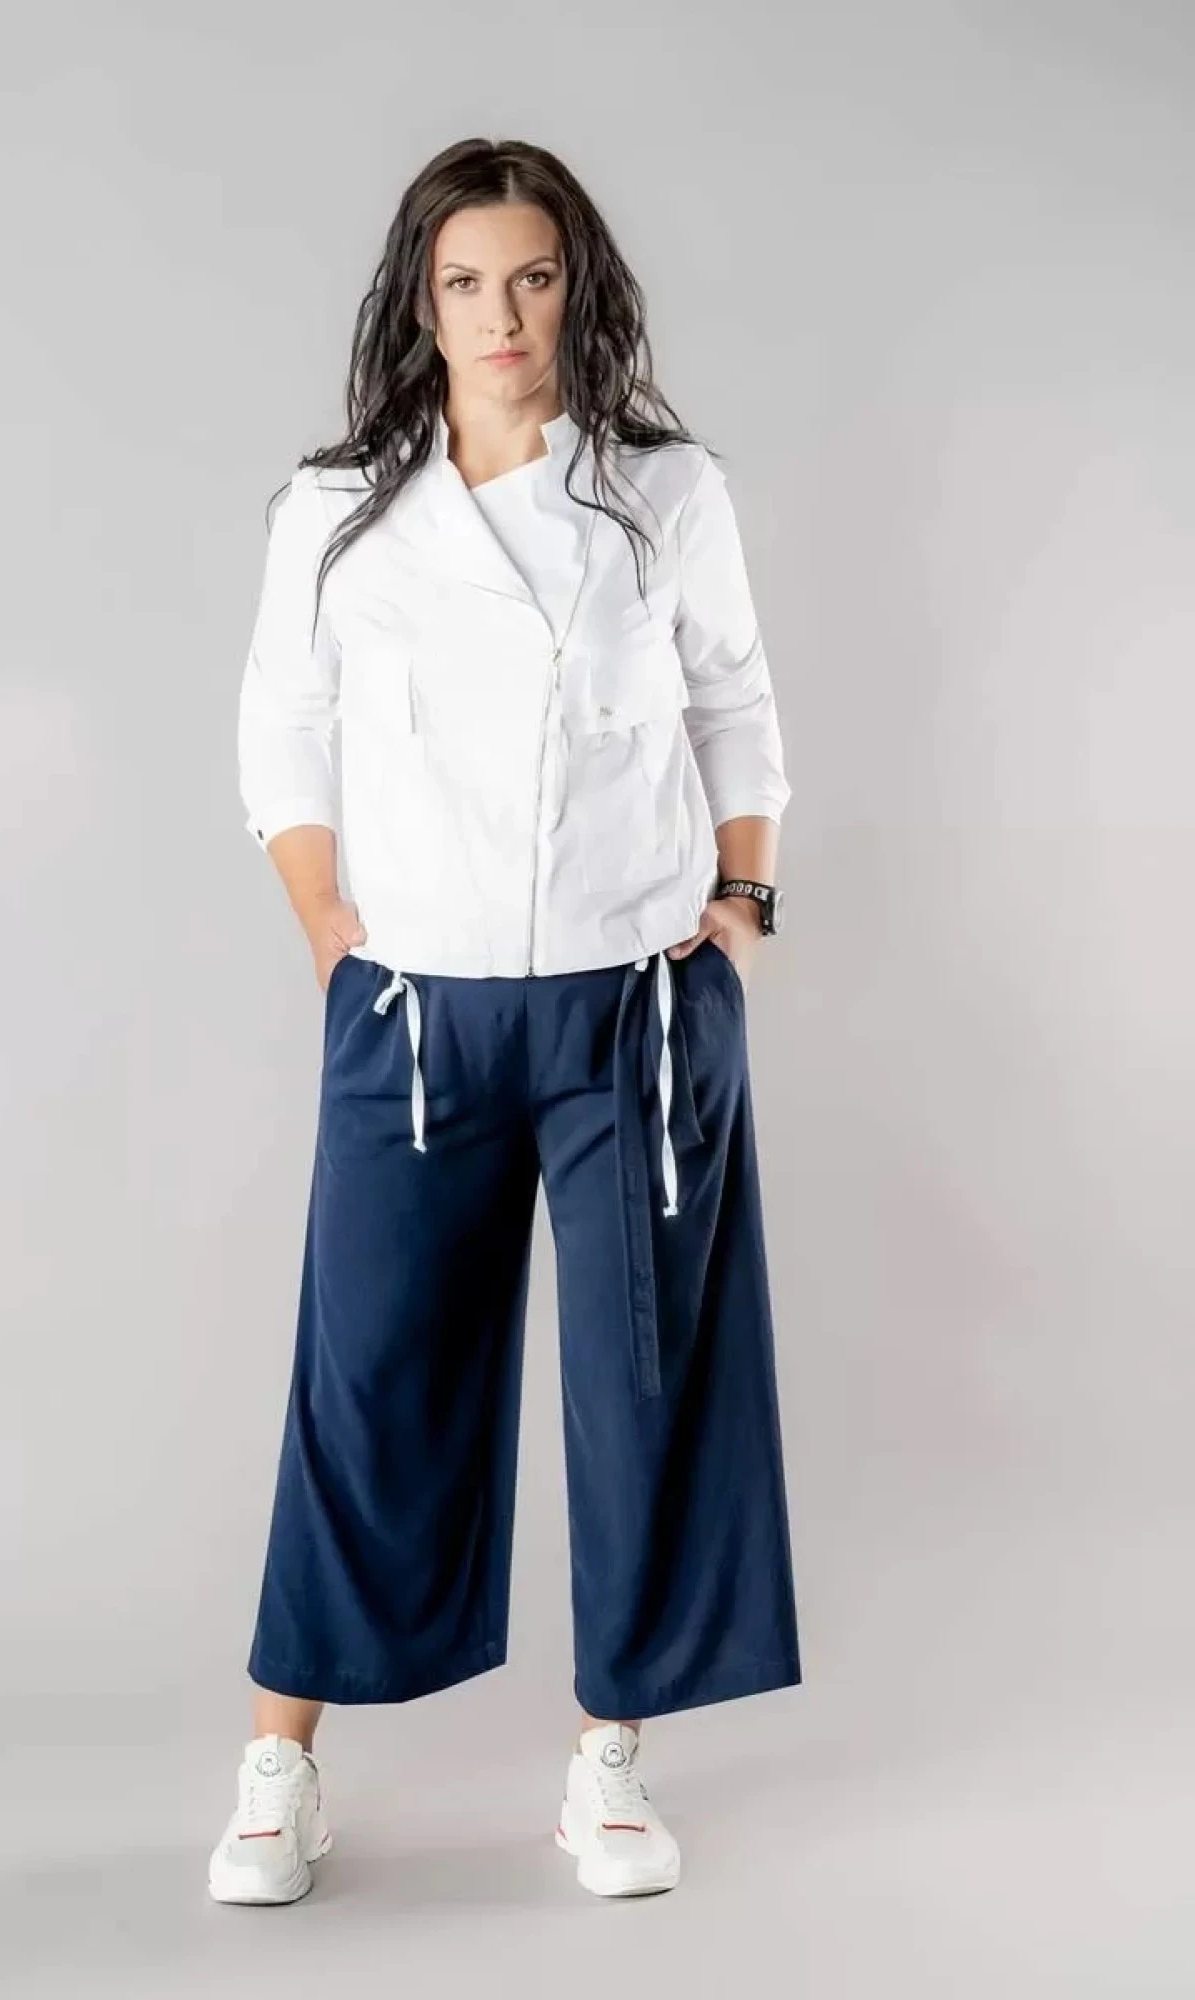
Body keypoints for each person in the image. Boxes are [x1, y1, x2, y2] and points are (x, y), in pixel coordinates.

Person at [208, 135, 801, 1907]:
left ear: (576, 289)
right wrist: (327, 926)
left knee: (647, 1389)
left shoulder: (662, 492)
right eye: (466, 282)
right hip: (416, 1019)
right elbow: (283, 727)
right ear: (421, 300)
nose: (502, 315)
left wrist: (745, 903)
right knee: (368, 1379)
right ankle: (277, 1768)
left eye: (532, 277)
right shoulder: (338, 511)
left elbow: (734, 701)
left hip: (635, 1012)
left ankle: (609, 1761)